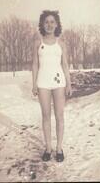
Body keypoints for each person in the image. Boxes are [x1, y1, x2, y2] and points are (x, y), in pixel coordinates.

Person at [32, 10, 72, 162]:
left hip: (58, 83)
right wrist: (34, 84)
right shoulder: (38, 42)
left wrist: (68, 84)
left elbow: (65, 65)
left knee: (59, 116)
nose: (49, 25)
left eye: (52, 22)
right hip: (43, 83)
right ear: (42, 24)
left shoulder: (61, 43)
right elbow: (35, 65)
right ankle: (48, 148)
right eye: (46, 22)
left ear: (57, 25)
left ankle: (59, 148)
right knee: (46, 116)